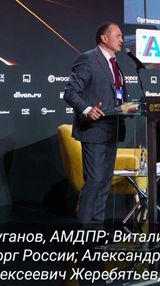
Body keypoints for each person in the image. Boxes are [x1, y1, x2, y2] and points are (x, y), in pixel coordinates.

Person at [64, 22, 133, 230]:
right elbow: (70, 92)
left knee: (105, 180)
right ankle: (85, 229)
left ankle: (97, 226)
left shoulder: (115, 63)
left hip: (113, 128)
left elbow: (116, 96)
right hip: (94, 129)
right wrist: (87, 110)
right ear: (104, 38)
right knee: (94, 179)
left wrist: (126, 108)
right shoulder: (88, 59)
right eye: (118, 35)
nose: (122, 40)